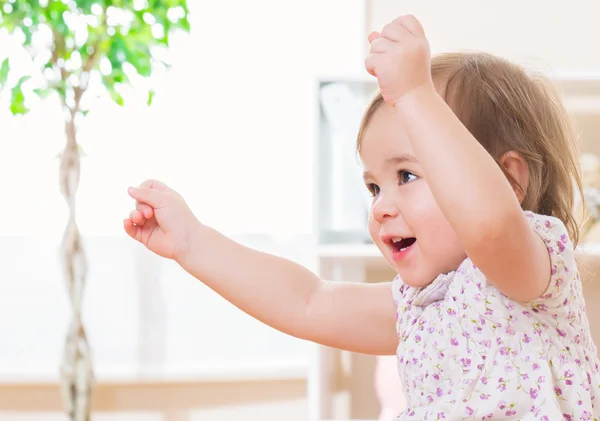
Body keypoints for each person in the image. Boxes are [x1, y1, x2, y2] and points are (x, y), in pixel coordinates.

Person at [124, 15, 600, 420]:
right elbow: (307, 301)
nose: (380, 207)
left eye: (408, 175)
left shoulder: (531, 268)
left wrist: (415, 94)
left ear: (510, 180)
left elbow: (490, 224)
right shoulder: (418, 305)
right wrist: (194, 243)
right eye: (374, 186)